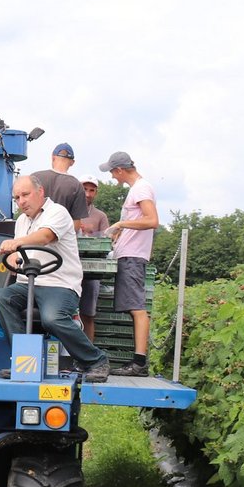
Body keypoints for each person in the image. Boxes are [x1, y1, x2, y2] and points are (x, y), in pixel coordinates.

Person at [0, 175, 110, 383]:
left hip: (59, 285)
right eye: (17, 198)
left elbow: (45, 237)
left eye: (25, 195)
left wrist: (16, 244)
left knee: (52, 318)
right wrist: (11, 254)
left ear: (40, 192)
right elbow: (16, 255)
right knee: (0, 298)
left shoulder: (58, 213)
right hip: (28, 283)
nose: (21, 201)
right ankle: (25, 360)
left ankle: (96, 360)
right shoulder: (21, 221)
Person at [97, 151, 158, 376]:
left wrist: (122, 222)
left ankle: (139, 363)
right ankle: (138, 362)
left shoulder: (141, 188)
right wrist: (120, 232)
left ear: (120, 170)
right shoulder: (137, 190)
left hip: (133, 257)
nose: (113, 177)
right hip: (128, 254)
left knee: (137, 309)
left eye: (113, 172)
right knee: (134, 308)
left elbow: (152, 220)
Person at [77, 175, 111, 341]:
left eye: (92, 190)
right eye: (85, 189)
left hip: (91, 271)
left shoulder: (100, 216)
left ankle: (88, 358)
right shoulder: (67, 211)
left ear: (96, 193)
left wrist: (92, 234)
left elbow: (108, 240)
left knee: (88, 314)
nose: (88, 194)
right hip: (69, 268)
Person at [31, 142, 88, 232]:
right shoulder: (77, 186)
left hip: (33, 237)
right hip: (59, 241)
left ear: (53, 157)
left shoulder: (34, 178)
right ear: (72, 162)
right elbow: (76, 225)